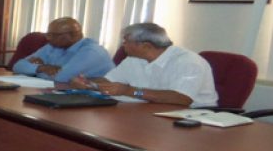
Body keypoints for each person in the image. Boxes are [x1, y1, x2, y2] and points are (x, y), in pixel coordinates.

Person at [71, 22, 218, 107]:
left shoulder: (188, 62)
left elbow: (182, 99)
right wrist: (88, 83)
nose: (123, 46)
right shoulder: (134, 58)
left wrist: (129, 91)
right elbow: (109, 81)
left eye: (126, 42)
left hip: (192, 118)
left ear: (146, 46)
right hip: (150, 111)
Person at [12, 17, 114, 83]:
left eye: (54, 35)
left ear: (74, 35)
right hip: (65, 93)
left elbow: (61, 79)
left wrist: (33, 70)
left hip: (97, 99)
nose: (48, 38)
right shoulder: (53, 46)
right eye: (48, 34)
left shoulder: (91, 52)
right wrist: (42, 68)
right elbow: (17, 66)